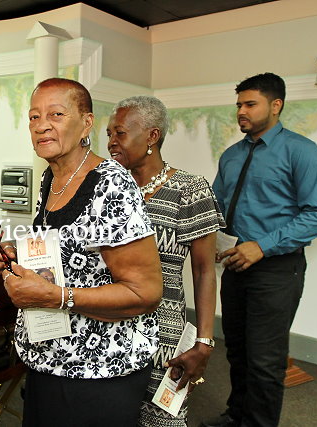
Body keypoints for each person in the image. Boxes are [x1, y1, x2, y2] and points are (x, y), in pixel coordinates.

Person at [0, 77, 163, 426]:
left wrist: (57, 297)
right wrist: (12, 252)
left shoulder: (111, 184)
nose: (41, 125)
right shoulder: (51, 178)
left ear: (86, 123)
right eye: (34, 117)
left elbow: (145, 292)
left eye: (56, 114)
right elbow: (69, 246)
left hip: (99, 370)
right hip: (49, 358)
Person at [205, 72, 317, 427]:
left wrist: (262, 247)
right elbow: (217, 205)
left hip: (276, 270)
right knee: (237, 350)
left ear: (276, 105)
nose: (241, 111)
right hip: (234, 266)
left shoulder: (302, 151)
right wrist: (212, 239)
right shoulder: (231, 155)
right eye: (239, 104)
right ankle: (237, 416)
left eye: (250, 104)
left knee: (265, 360)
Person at [107, 95, 225, 427]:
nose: (111, 141)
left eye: (120, 133)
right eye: (109, 134)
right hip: (107, 326)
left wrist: (204, 342)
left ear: (152, 136)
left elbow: (203, 270)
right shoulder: (107, 188)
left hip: (163, 333)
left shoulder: (190, 190)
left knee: (159, 420)